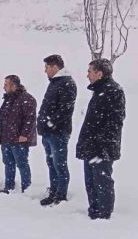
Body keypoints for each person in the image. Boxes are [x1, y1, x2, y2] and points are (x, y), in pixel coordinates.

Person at [76, 59, 125, 220]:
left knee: (102, 181)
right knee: (90, 181)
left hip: (102, 148)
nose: (87, 75)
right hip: (91, 146)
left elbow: (114, 123)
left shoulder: (113, 91)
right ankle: (94, 210)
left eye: (90, 71)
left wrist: (101, 145)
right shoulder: (99, 91)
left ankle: (103, 214)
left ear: (99, 73)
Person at [37, 55, 77, 206]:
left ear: (54, 67)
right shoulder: (55, 83)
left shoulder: (67, 83)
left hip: (58, 132)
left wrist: (49, 123)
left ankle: (61, 195)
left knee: (59, 164)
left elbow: (65, 109)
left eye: (46, 67)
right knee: (51, 163)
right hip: (48, 132)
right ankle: (53, 191)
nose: (45, 71)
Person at [0, 75, 37, 193]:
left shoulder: (27, 99)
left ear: (14, 85)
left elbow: (30, 119)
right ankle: (9, 187)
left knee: (22, 164)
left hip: (19, 139)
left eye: (6, 84)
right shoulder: (8, 99)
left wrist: (24, 135)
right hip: (6, 138)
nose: (4, 87)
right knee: (8, 164)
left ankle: (26, 189)